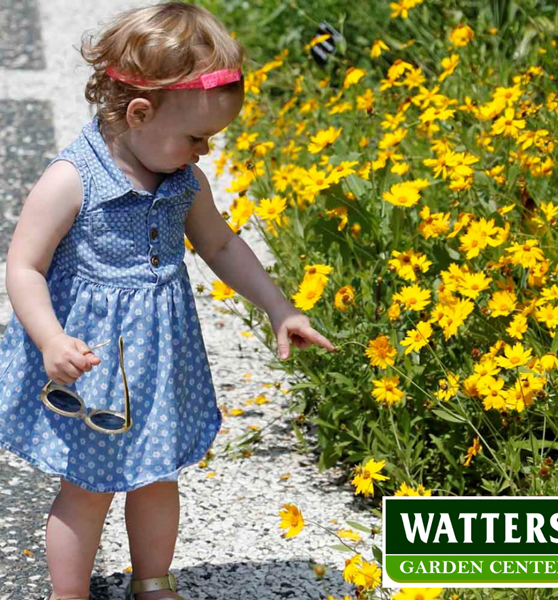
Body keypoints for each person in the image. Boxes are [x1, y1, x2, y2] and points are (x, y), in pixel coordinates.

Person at [0, 2, 337, 599]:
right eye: (196, 137)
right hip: (92, 364)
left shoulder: (184, 179)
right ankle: (67, 594)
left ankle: (152, 579)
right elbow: (25, 265)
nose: (205, 151)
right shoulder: (72, 179)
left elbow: (222, 246)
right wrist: (50, 339)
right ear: (138, 112)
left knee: (156, 475)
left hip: (160, 360)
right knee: (87, 488)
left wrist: (279, 307)